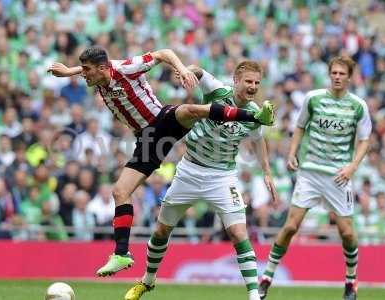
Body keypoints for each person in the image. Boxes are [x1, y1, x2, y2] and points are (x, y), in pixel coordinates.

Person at [47, 45, 275, 276]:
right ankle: (121, 254)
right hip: (147, 140)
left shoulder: (126, 68)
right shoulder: (102, 74)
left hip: (161, 121)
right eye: (82, 69)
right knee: (119, 192)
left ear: (102, 68)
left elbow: (163, 53)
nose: (83, 73)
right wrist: (69, 71)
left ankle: (255, 116)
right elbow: (98, 67)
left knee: (191, 110)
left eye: (86, 70)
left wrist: (182, 69)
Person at [124, 61, 279, 300]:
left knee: (239, 233)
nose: (253, 86)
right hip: (189, 171)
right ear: (236, 81)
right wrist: (187, 73)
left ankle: (254, 296)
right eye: (249, 81)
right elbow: (198, 70)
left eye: (257, 83)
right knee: (162, 229)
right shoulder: (218, 91)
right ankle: (147, 281)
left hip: (222, 177)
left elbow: (259, 141)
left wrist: (267, 171)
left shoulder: (256, 114)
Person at [258, 56, 372, 300]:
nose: (338, 77)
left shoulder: (358, 105)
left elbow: (365, 140)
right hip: (310, 172)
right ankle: (266, 277)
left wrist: (352, 167)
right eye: (334, 73)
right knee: (290, 226)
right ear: (329, 74)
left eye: (342, 73)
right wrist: (292, 153)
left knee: (347, 233)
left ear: (349, 77)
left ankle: (351, 282)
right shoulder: (314, 98)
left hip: (338, 177)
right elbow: (300, 126)